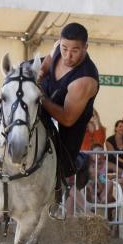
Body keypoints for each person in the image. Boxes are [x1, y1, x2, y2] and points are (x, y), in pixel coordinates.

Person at [38, 22, 99, 218]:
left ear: (85, 48)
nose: (67, 55)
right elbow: (48, 59)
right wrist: (40, 73)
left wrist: (39, 97)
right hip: (46, 95)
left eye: (74, 50)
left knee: (60, 166)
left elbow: (66, 118)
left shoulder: (85, 80)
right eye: (64, 48)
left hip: (68, 126)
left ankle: (78, 163)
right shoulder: (58, 46)